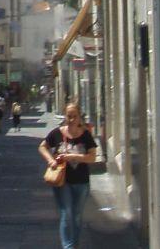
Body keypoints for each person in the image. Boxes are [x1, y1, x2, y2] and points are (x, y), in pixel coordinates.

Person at [38, 102, 99, 249]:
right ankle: (68, 246)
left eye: (74, 116)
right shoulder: (57, 133)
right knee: (66, 213)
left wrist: (74, 157)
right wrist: (51, 160)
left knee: (77, 215)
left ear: (79, 117)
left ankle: (74, 244)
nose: (71, 119)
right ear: (65, 116)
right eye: (69, 116)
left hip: (82, 181)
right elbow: (42, 146)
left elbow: (92, 157)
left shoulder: (85, 135)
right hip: (62, 181)